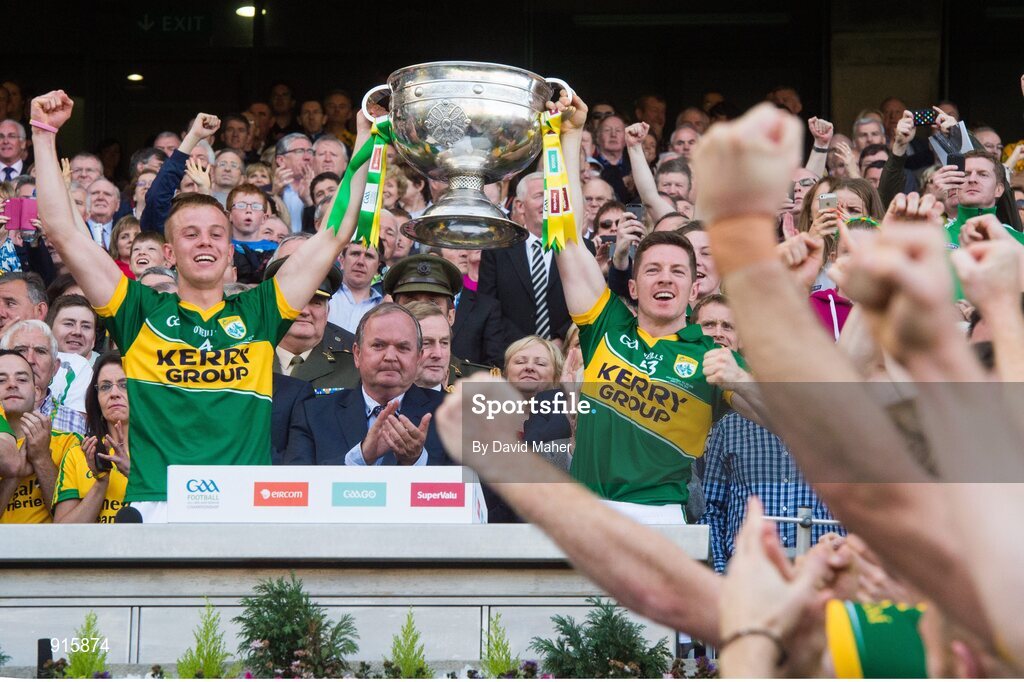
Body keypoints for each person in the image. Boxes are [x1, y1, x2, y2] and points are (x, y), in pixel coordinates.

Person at [32, 90, 371, 520]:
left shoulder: (260, 312)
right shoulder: (138, 311)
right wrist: (44, 135)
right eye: (190, 234)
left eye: (215, 234)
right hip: (157, 503)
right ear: (169, 254)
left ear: (231, 252)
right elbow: (63, 232)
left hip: (245, 505)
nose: (205, 242)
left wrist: (364, 138)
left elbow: (336, 232)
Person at [283, 302, 450, 467]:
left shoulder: (455, 414)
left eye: (402, 347)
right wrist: (360, 458)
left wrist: (415, 461)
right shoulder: (313, 413)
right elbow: (296, 485)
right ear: (357, 354)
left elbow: (472, 486)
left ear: (418, 357)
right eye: (378, 346)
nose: (390, 357)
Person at [479, 171, 573, 346]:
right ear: (520, 206)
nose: (546, 202)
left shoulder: (576, 247)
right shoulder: (497, 248)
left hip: (564, 352)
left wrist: (561, 339)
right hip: (511, 352)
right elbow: (488, 307)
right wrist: (525, 346)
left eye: (550, 196)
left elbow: (588, 302)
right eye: (539, 196)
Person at [0, 350, 81, 523]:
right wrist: (14, 475)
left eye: (22, 379)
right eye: (1, 380)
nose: (12, 385)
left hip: (49, 549)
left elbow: (70, 523)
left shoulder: (70, 442)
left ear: (37, 392)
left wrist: (42, 458)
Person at [386, 253, 505, 371]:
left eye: (433, 303)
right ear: (394, 312)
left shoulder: (474, 385)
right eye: (410, 302)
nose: (422, 310)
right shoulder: (376, 379)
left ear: (450, 316)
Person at [264, 245, 358, 392]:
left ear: (328, 312)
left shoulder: (354, 366)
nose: (304, 311)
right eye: (295, 300)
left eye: (316, 302)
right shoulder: (245, 360)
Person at [52, 352, 130, 523]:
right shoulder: (78, 453)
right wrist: (101, 482)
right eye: (105, 386)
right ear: (96, 399)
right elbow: (62, 536)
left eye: (124, 385)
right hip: (93, 550)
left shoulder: (161, 449)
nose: (114, 393)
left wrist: (132, 473)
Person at [1, 319, 87, 435]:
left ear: (55, 368)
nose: (30, 359)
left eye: (40, 351)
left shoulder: (74, 420)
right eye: (20, 350)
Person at [326, 241, 383, 333]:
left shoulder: (383, 307)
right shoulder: (324, 296)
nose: (360, 262)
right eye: (355, 254)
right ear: (341, 260)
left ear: (378, 267)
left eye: (369, 256)